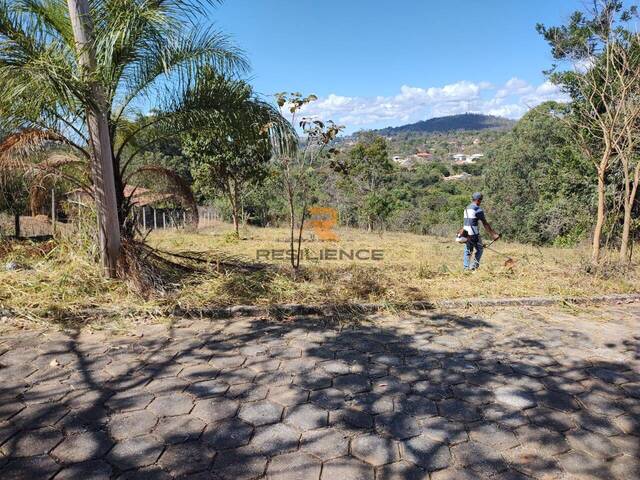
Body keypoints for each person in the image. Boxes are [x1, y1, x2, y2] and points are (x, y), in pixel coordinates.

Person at [462, 192, 499, 270]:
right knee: (480, 249)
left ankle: (465, 269)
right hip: (474, 234)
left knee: (468, 250)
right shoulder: (477, 209)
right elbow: (485, 223)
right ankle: (474, 267)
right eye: (481, 200)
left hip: (466, 234)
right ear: (478, 200)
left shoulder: (466, 208)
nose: (480, 202)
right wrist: (493, 234)